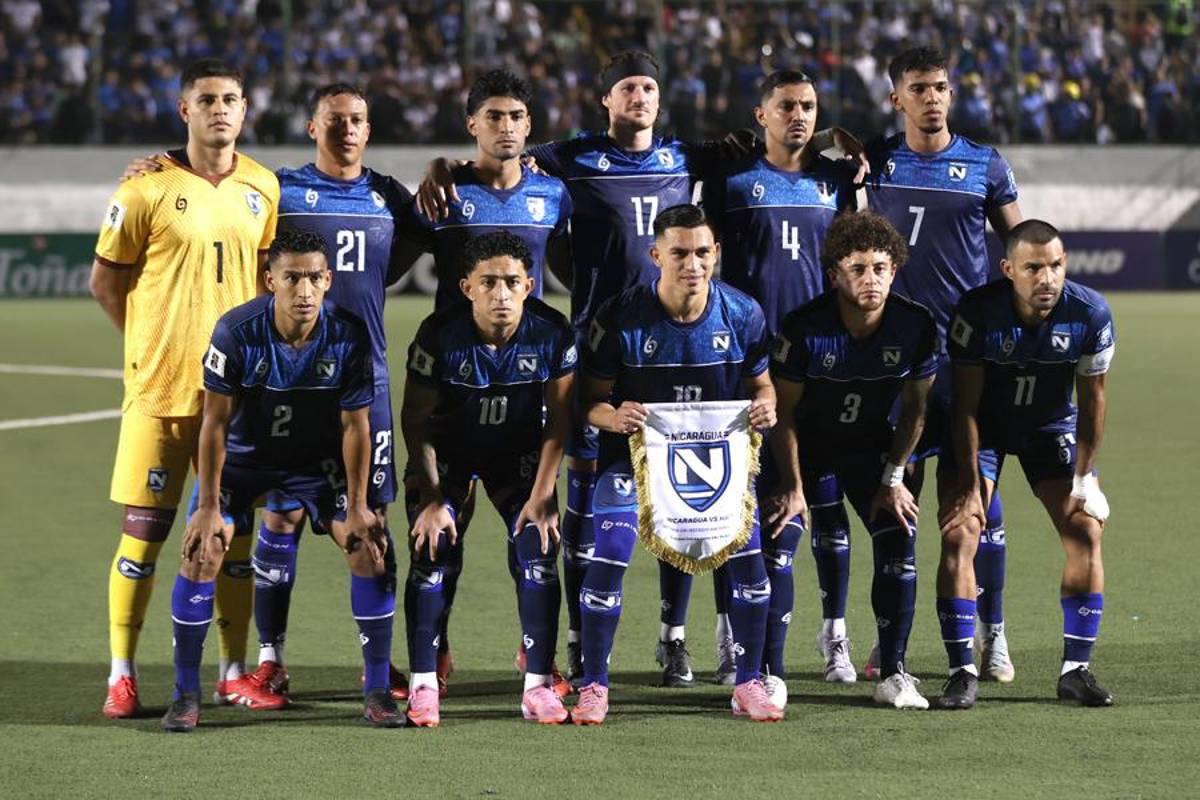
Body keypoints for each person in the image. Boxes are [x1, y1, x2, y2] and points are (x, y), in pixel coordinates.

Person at [115, 83, 424, 708]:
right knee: (277, 518)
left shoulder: (389, 196)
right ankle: (267, 659)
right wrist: (166, 161)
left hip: (360, 379)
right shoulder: (279, 189)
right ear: (312, 127)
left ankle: (379, 666)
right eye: (333, 120)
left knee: (372, 525)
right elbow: (223, 180)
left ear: (370, 128)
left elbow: (416, 246)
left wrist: (447, 169)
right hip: (277, 382)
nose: (346, 130)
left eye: (357, 120)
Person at [90, 58, 278, 719]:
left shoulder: (263, 186)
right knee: (142, 537)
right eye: (207, 100)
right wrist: (143, 348)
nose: (220, 109)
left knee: (230, 543)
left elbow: (266, 285)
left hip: (232, 401)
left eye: (230, 98)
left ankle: (231, 671)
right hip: (158, 395)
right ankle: (122, 673)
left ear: (246, 109)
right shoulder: (143, 188)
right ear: (185, 110)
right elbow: (105, 282)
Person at [161, 227, 397, 731]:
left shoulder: (349, 334)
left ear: (329, 279)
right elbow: (215, 424)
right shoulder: (235, 332)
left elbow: (356, 425)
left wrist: (358, 503)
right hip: (246, 461)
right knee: (203, 549)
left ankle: (377, 689)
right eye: (292, 278)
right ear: (271, 280)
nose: (305, 290)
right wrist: (206, 505)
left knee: (370, 546)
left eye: (315, 277)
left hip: (316, 464)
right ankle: (185, 694)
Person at [570, 204, 780, 725]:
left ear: (717, 254)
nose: (693, 263)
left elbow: (762, 385)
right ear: (656, 254)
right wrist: (612, 415)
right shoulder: (618, 317)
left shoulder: (743, 314)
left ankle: (749, 681)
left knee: (751, 570)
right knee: (609, 557)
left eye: (703, 252)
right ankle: (594, 684)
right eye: (680, 252)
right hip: (635, 466)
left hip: (716, 465)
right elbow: (587, 402)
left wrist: (767, 405)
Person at [403, 71, 573, 693]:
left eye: (516, 117)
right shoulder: (444, 194)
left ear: (529, 126)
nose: (505, 127)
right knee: (441, 536)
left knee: (533, 536)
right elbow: (393, 257)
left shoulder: (554, 194)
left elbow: (576, 260)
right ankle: (436, 650)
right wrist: (436, 168)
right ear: (472, 124)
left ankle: (537, 659)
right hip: (452, 384)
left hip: (524, 382)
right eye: (493, 116)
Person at [861, 46, 1023, 681]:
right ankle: (891, 641)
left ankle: (995, 631)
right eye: (918, 88)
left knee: (975, 499)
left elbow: (1021, 243)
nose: (933, 97)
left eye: (941, 87)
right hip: (896, 360)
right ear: (896, 98)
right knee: (897, 499)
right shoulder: (875, 162)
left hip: (966, 359)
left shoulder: (984, 164)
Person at [701, 69, 859, 685]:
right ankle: (729, 639)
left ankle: (835, 636)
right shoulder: (731, 182)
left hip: (818, 361)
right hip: (742, 362)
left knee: (824, 499)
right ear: (760, 113)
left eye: (809, 105)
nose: (799, 115)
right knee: (734, 506)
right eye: (786, 105)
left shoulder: (837, 181)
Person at [936, 219, 1115, 710]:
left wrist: (1085, 476)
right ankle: (961, 671)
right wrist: (972, 486)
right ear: (1008, 268)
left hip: (1049, 430)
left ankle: (1075, 671)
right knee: (961, 530)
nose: (1047, 278)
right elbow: (965, 406)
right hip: (985, 430)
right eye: (1034, 267)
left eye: (1056, 265)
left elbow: (1093, 402)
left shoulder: (1090, 314)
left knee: (1085, 530)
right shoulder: (978, 312)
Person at [400, 232, 576, 726]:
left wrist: (542, 496)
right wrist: (433, 497)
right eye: (489, 283)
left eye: (512, 282)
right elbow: (415, 420)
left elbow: (560, 419)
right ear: (466, 287)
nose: (501, 294)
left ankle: (537, 684)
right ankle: (423, 684)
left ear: (530, 285)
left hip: (516, 455)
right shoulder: (438, 334)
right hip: (449, 453)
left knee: (539, 552)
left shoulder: (552, 332)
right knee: (431, 552)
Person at [765, 212, 938, 710]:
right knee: (782, 540)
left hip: (869, 449)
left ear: (896, 269)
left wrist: (894, 478)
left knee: (899, 535)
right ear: (834, 273)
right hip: (808, 449)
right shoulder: (804, 329)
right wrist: (793, 487)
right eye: (858, 269)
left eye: (881, 268)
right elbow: (784, 414)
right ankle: (771, 675)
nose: (871, 279)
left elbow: (916, 410)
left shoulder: (915, 325)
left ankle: (893, 674)